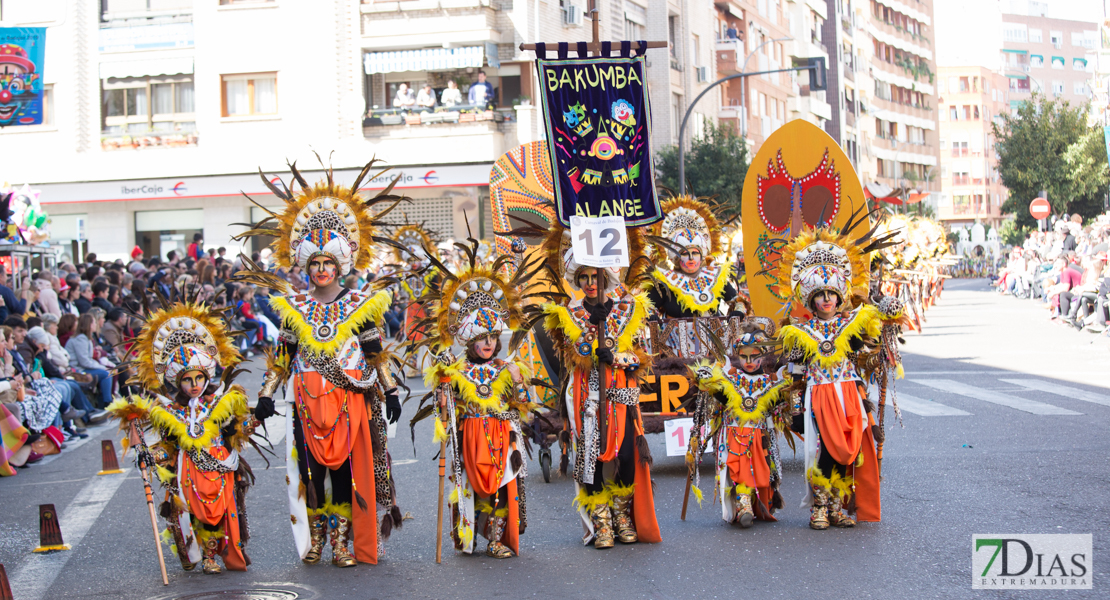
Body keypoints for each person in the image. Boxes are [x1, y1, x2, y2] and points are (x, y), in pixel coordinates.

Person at [239, 162, 404, 567]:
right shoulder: (294, 308)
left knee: (346, 474)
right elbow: (282, 359)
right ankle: (316, 540)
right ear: (305, 266)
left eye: (328, 263)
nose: (321, 270)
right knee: (312, 475)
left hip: (347, 399)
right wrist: (264, 396)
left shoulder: (359, 305)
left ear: (341, 265)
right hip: (306, 403)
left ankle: (343, 544)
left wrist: (393, 389)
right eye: (314, 264)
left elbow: (373, 351)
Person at [107, 301, 259, 574]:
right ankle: (207, 555)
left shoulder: (222, 403)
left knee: (223, 512)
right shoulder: (171, 411)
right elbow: (169, 446)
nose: (194, 385)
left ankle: (220, 552)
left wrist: (252, 421)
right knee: (196, 514)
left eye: (198, 378)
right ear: (179, 383)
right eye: (187, 380)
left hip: (221, 466)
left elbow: (242, 428)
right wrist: (150, 455)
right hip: (189, 470)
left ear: (206, 376)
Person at [775, 220, 905, 530]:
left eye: (831, 293)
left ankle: (837, 507)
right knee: (825, 449)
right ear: (811, 300)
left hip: (849, 393)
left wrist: (886, 331)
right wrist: (794, 405)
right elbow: (795, 372)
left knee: (851, 451)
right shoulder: (799, 331)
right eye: (819, 295)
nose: (826, 300)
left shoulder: (853, 324)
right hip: (819, 395)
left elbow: (868, 353)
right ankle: (819, 508)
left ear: (840, 296)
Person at [541, 226, 661, 549]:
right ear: (578, 281)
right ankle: (601, 519)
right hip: (588, 400)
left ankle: (622, 514)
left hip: (621, 397)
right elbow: (572, 353)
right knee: (591, 460)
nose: (589, 284)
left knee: (624, 456)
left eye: (594, 278)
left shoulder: (631, 310)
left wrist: (618, 356)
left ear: (605, 278)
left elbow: (641, 357)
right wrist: (592, 352)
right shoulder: (569, 315)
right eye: (583, 278)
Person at [420, 257, 537, 559]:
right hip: (470, 435)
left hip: (501, 434)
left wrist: (517, 379)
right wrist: (444, 386)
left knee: (501, 487)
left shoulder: (507, 367)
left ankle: (496, 539)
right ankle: (471, 534)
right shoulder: (457, 370)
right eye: (481, 337)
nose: (487, 343)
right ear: (470, 340)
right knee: (474, 488)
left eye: (492, 337)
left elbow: (524, 404)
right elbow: (444, 410)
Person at [691, 312, 792, 527]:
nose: (748, 361)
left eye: (754, 357)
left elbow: (777, 406)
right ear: (737, 355)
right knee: (735, 466)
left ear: (763, 357)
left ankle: (754, 502)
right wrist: (706, 382)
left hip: (758, 434)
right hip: (733, 432)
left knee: (760, 468)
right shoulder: (730, 377)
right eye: (744, 356)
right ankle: (743, 502)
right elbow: (721, 396)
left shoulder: (771, 380)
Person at [64, 314, 114, 409]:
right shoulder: (80, 339)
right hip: (78, 369)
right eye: (94, 322)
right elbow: (84, 361)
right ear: (89, 324)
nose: (96, 324)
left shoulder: (85, 338)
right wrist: (102, 367)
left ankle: (104, 402)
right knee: (106, 373)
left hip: (83, 367)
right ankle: (107, 403)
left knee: (106, 372)